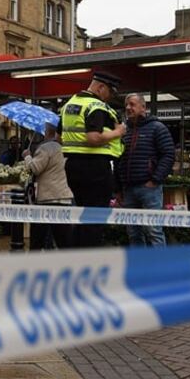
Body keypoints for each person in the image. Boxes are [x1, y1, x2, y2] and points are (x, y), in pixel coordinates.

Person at [60, 71, 125, 248]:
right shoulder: (96, 106)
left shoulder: (69, 105)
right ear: (101, 87)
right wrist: (118, 132)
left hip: (73, 166)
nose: (110, 97)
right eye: (110, 91)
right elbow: (93, 138)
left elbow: (59, 137)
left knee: (82, 215)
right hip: (95, 167)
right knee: (95, 218)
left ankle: (76, 254)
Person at [115, 93, 175, 246]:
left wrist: (155, 179)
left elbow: (168, 154)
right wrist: (118, 188)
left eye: (132, 104)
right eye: (126, 104)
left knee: (154, 230)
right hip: (128, 189)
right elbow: (117, 159)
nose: (128, 107)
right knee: (133, 232)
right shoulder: (122, 131)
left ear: (143, 107)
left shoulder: (157, 128)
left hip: (149, 188)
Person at [21, 123, 73, 251]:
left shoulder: (45, 148)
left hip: (47, 198)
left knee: (37, 238)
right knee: (63, 238)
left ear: (46, 131)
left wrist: (27, 157)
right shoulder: (64, 148)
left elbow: (35, 168)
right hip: (63, 197)